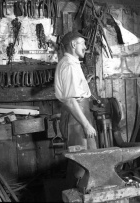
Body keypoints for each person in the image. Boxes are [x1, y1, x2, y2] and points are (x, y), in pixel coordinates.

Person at [54, 31, 97, 190]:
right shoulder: (69, 66)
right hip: (76, 119)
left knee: (84, 159)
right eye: (82, 43)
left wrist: (84, 83)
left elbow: (73, 92)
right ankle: (79, 195)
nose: (85, 47)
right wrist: (86, 125)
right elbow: (71, 101)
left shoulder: (70, 63)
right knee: (82, 161)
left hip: (78, 115)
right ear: (73, 45)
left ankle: (82, 192)